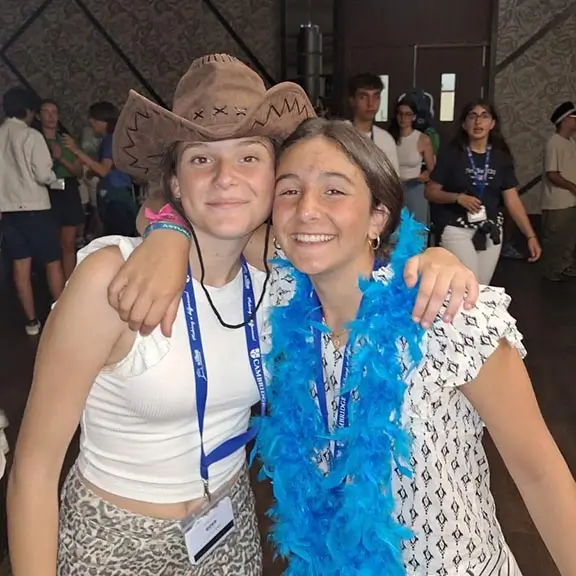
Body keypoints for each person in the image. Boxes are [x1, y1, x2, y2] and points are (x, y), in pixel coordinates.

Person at [7, 54, 478, 576]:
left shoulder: (281, 277)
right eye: (202, 159)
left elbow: (365, 253)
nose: (226, 177)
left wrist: (437, 259)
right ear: (176, 184)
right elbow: (33, 466)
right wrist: (167, 230)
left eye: (249, 157)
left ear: (276, 175)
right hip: (115, 539)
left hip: (230, 531)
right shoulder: (110, 279)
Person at [255, 117, 576, 575]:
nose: (306, 209)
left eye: (334, 190)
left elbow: (539, 472)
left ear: (377, 216)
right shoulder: (278, 311)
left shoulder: (447, 315)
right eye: (288, 190)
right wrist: (170, 232)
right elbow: (213, 217)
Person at [425, 100, 541, 285]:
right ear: (464, 124)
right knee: (468, 283)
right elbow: (431, 192)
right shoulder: (452, 154)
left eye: (484, 116)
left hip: (490, 229)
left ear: (492, 124)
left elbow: (512, 200)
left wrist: (530, 235)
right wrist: (457, 198)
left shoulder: (501, 157)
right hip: (456, 227)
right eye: (472, 116)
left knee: (482, 287)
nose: (478, 122)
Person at [0, 87, 64, 335]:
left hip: (9, 213)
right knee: (52, 262)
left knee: (20, 265)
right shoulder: (31, 135)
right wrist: (55, 171)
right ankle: (60, 316)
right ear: (29, 110)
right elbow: (43, 174)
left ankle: (31, 322)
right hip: (36, 209)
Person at [62, 101, 136, 236]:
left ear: (104, 121)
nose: (91, 122)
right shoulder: (115, 138)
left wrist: (76, 151)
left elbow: (104, 170)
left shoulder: (110, 140)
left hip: (116, 197)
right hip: (120, 195)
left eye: (94, 118)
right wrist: (93, 171)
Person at [38, 99, 85, 279]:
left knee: (69, 242)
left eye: (54, 112)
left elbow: (78, 171)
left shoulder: (67, 141)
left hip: (68, 190)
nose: (50, 116)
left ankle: (70, 285)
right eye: (46, 112)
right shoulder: (35, 139)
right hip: (45, 190)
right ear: (38, 115)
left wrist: (60, 158)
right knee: (51, 243)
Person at [541, 101, 576, 281]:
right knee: (555, 238)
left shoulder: (571, 142)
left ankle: (564, 266)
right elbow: (552, 174)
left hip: (571, 201)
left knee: (568, 239)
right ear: (564, 120)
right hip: (557, 202)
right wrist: (573, 187)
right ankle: (550, 271)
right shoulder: (554, 142)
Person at [388, 97, 435, 225]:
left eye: (408, 114)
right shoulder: (388, 138)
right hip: (393, 187)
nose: (403, 118)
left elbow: (433, 170)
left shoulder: (422, 139)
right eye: (400, 114)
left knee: (416, 229)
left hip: (414, 187)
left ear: (414, 117)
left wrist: (426, 176)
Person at [347, 73, 399, 174]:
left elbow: (394, 180)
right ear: (352, 100)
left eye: (376, 97)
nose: (370, 103)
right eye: (363, 97)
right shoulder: (339, 133)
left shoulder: (386, 140)